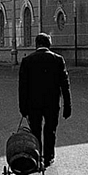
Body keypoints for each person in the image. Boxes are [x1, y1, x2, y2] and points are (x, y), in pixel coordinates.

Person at [18, 33, 72, 166]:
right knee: (50, 130)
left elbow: (22, 87)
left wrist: (23, 108)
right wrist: (67, 106)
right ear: (49, 45)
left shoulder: (27, 61)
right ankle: (48, 157)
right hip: (52, 103)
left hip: (33, 104)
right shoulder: (58, 60)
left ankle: (36, 157)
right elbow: (65, 85)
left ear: (36, 44)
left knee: (35, 131)